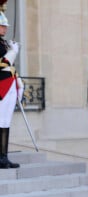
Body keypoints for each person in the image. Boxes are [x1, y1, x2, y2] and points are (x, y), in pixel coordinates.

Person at [0, 2, 23, 169]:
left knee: (5, 122)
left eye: (5, 26)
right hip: (1, 85)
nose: (5, 29)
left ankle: (4, 156)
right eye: (2, 26)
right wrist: (13, 53)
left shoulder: (4, 43)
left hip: (9, 84)